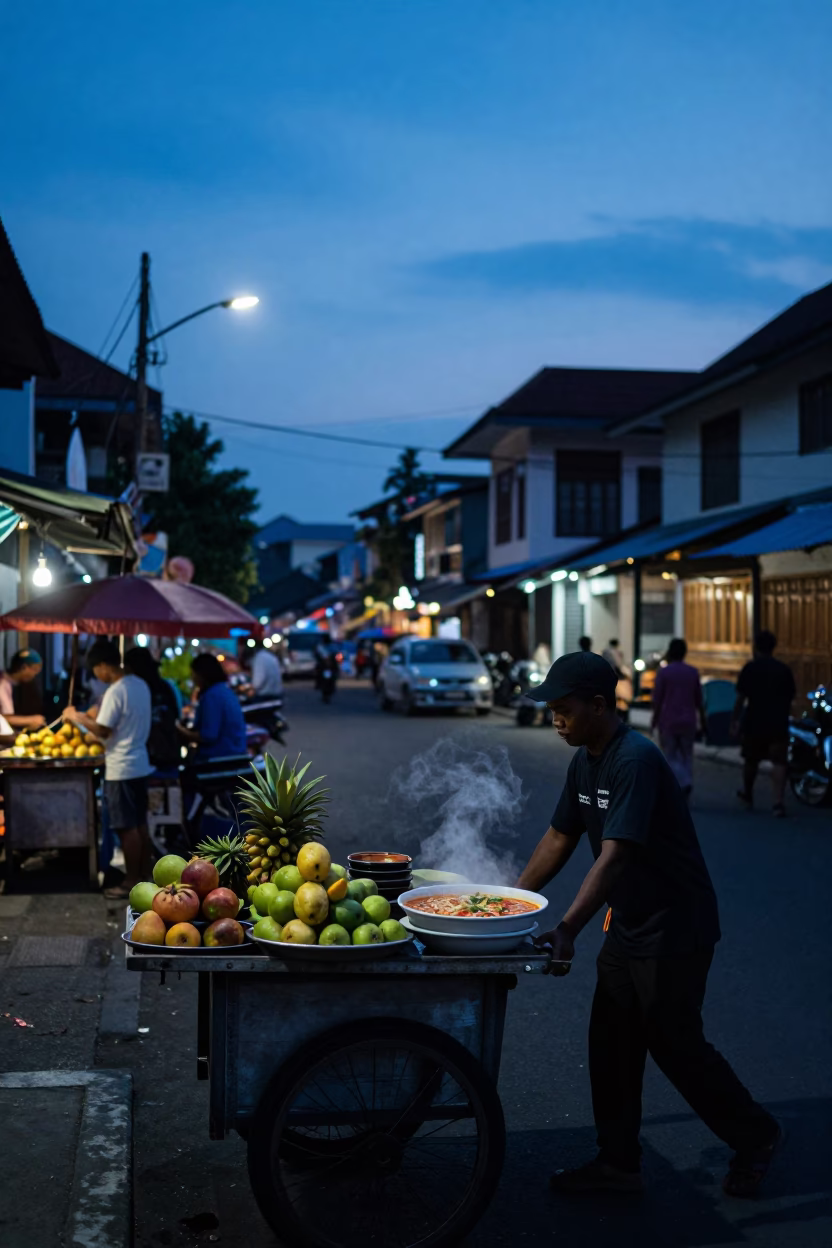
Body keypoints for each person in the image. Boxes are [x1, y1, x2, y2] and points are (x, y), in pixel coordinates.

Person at [517, 651, 780, 1199]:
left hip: (674, 927)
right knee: (610, 1040)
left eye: (563, 709)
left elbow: (615, 857)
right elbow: (560, 836)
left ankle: (756, 1137)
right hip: (629, 923)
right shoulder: (584, 760)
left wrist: (565, 928)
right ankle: (619, 1162)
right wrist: (510, 900)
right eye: (551, 710)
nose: (555, 719)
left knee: (676, 1044)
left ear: (597, 704)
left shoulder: (633, 760)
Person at [63, 639, 152, 899]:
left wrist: (77, 717)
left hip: (121, 766)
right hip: (140, 763)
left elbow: (103, 730)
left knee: (127, 828)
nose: (97, 676)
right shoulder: (140, 684)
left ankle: (131, 881)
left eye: (95, 671)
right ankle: (145, 874)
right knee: (140, 825)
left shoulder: (117, 690)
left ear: (103, 666)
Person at [732, 630, 796, 817]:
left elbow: (740, 698)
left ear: (756, 647)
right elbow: (791, 696)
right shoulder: (783, 670)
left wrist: (734, 721)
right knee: (779, 761)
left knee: (751, 760)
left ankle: (748, 794)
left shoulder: (750, 668)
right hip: (778, 720)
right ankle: (778, 802)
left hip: (755, 720)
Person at [651, 638, 707, 798]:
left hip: (668, 719)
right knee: (687, 754)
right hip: (688, 720)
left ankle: (681, 782)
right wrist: (703, 721)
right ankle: (686, 781)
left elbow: (657, 699)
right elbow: (699, 700)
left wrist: (654, 721)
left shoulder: (664, 672)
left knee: (670, 754)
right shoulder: (692, 672)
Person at [177, 653, 247, 760]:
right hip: (234, 752)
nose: (192, 678)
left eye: (193, 674)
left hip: (222, 755)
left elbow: (208, 736)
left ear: (202, 674)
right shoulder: (223, 690)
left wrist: (181, 732)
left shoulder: (212, 696)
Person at [123, 646, 180, 772]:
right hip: (167, 755)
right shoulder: (167, 687)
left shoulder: (134, 690)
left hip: (146, 758)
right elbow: (176, 715)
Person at [0, 649, 46, 730]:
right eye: (34, 670)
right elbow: (5, 717)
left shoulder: (24, 684)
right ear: (24, 667)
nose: (35, 674)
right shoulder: (3, 684)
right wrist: (31, 720)